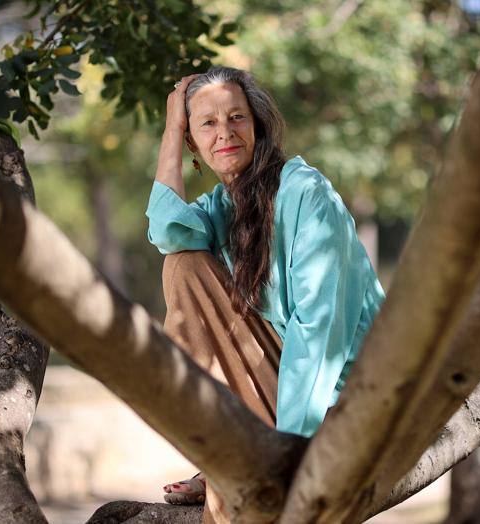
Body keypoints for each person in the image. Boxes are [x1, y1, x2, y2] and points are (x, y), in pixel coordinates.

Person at [145, 66, 385, 522]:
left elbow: (317, 336)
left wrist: (285, 458)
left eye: (236, 117)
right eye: (207, 124)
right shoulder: (221, 207)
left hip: (345, 394)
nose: (225, 133)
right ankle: (225, 461)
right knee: (183, 265)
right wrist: (172, 128)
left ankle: (239, 468)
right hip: (286, 389)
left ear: (257, 124)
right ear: (193, 143)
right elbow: (168, 231)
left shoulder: (306, 194)